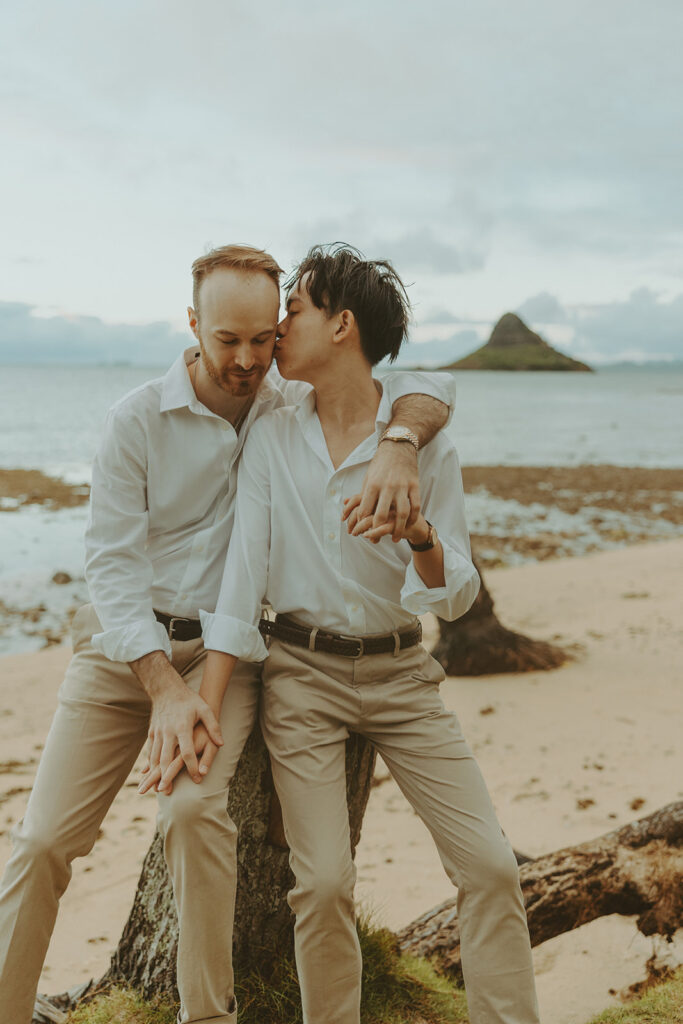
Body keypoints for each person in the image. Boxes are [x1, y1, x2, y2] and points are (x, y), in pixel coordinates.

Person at [0, 244, 455, 1024]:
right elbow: (109, 565)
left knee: (190, 815)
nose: (246, 361)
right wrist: (163, 690)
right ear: (193, 326)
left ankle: (205, 1016)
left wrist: (399, 440)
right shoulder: (136, 418)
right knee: (41, 844)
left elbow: (425, 385)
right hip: (122, 654)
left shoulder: (285, 403)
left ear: (280, 329)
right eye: (226, 341)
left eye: (260, 339)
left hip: (228, 658)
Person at [161, 245, 541, 1024]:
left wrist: (419, 533)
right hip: (301, 678)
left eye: (290, 312)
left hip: (405, 678)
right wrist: (205, 700)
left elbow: (456, 593)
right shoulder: (271, 429)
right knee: (323, 884)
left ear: (340, 324)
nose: (274, 331)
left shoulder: (422, 441)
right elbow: (242, 575)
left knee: (491, 868)